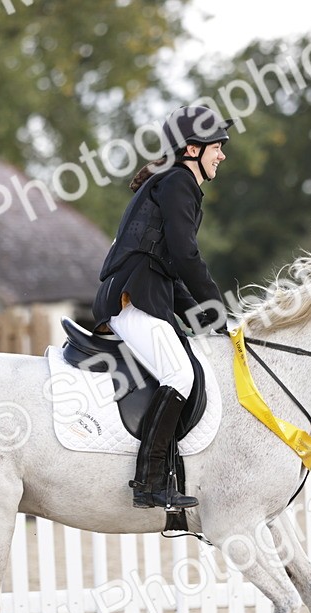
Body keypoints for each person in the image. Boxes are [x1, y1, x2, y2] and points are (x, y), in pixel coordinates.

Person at [92, 105, 231, 510]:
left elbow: (169, 267)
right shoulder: (178, 183)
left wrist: (211, 317)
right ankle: (149, 482)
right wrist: (216, 306)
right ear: (192, 149)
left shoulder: (172, 182)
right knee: (180, 375)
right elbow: (187, 257)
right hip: (131, 298)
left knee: (186, 366)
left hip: (147, 293)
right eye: (216, 147)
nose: (222, 154)